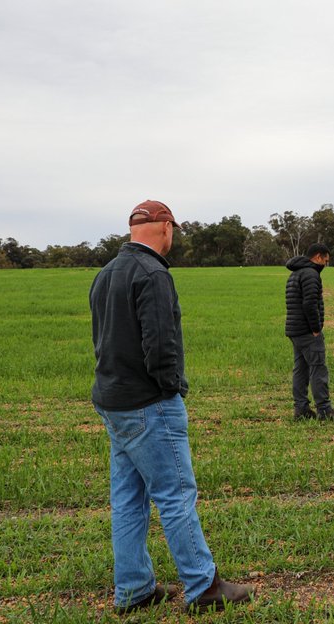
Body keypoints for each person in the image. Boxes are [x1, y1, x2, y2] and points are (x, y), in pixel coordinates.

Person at [90, 200, 255, 613]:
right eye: (173, 229)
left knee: (128, 500)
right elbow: (160, 345)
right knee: (176, 494)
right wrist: (171, 388)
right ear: (165, 227)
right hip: (149, 404)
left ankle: (133, 590)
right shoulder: (153, 273)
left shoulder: (106, 273)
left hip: (113, 401)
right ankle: (204, 586)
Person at [286, 243, 334, 422]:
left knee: (301, 369)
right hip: (307, 331)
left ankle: (301, 409)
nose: (326, 265)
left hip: (295, 330)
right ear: (318, 257)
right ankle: (324, 410)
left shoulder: (295, 272)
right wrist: (315, 329)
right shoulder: (310, 274)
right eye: (326, 261)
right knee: (318, 368)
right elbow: (309, 304)